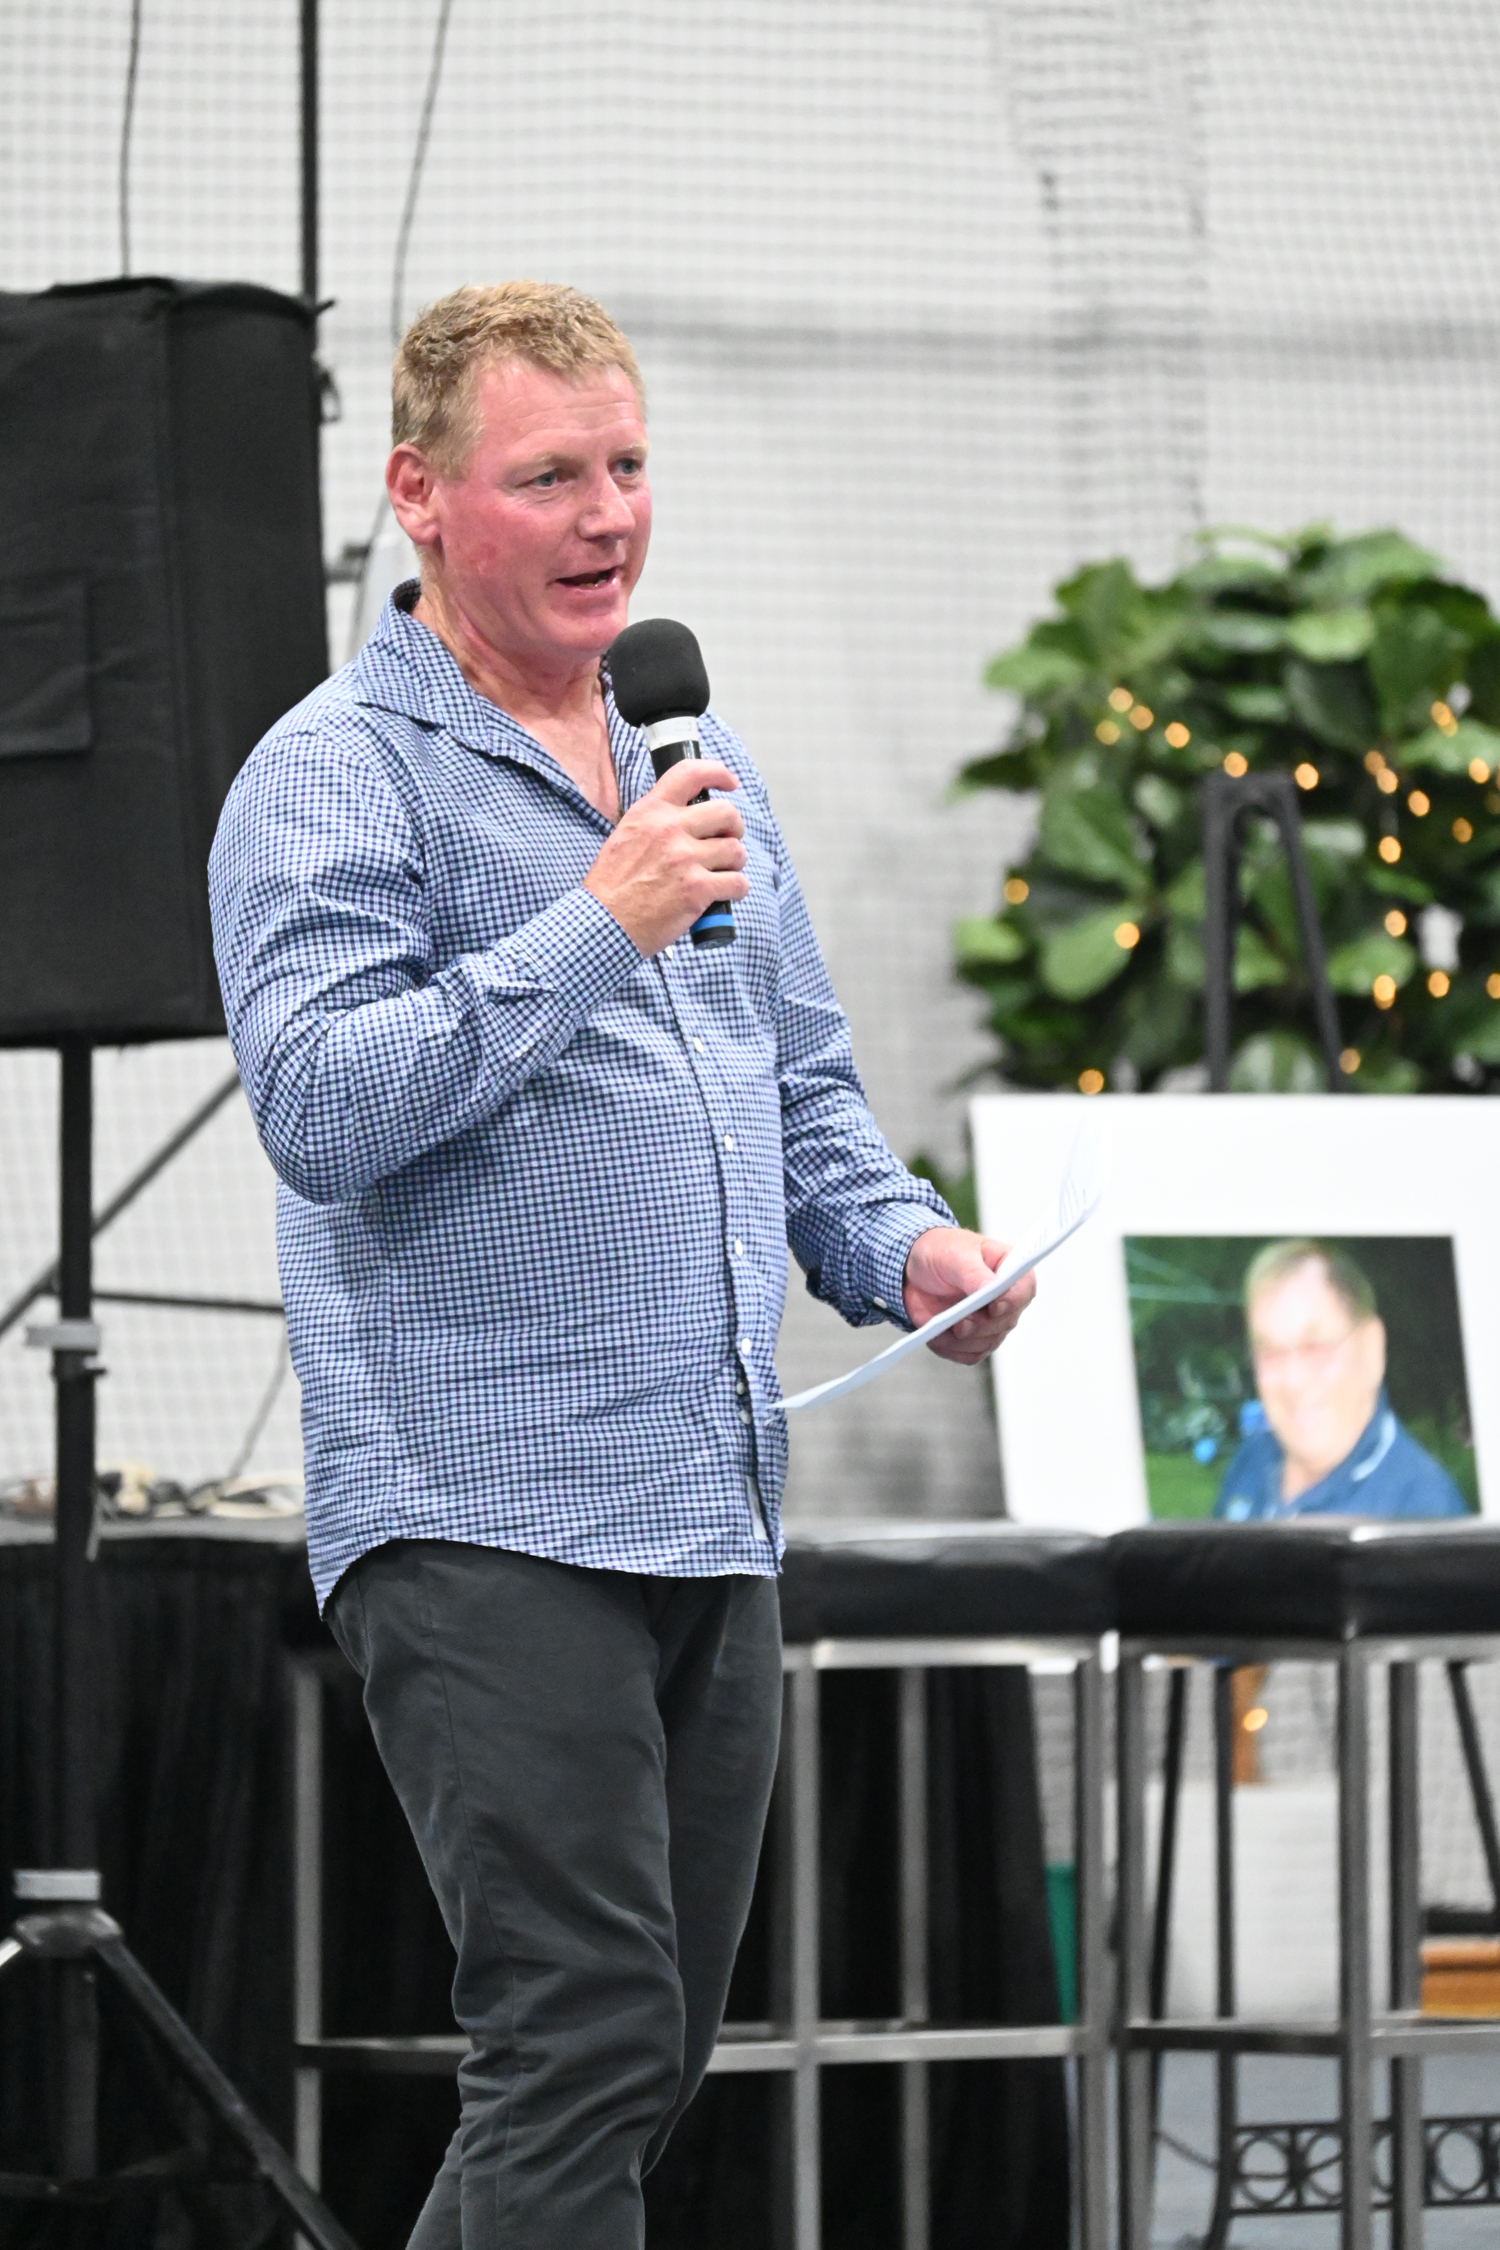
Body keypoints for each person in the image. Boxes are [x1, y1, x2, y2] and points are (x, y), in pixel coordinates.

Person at [208, 280, 1034, 2250]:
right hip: (484, 1507)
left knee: (632, 2057)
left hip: (709, 1502)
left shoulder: (688, 751)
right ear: (419, 496)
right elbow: (321, 1105)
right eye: (549, 477)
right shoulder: (336, 773)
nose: (607, 517)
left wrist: (910, 1251)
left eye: (629, 466)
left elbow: (798, 1085)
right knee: (576, 2036)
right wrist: (598, 919)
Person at [1214, 1239, 1467, 1521]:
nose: (1293, 1382)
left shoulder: (1424, 1511)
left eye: (1315, 1347)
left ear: (1370, 1348)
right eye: (1269, 1353)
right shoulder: (1252, 1458)